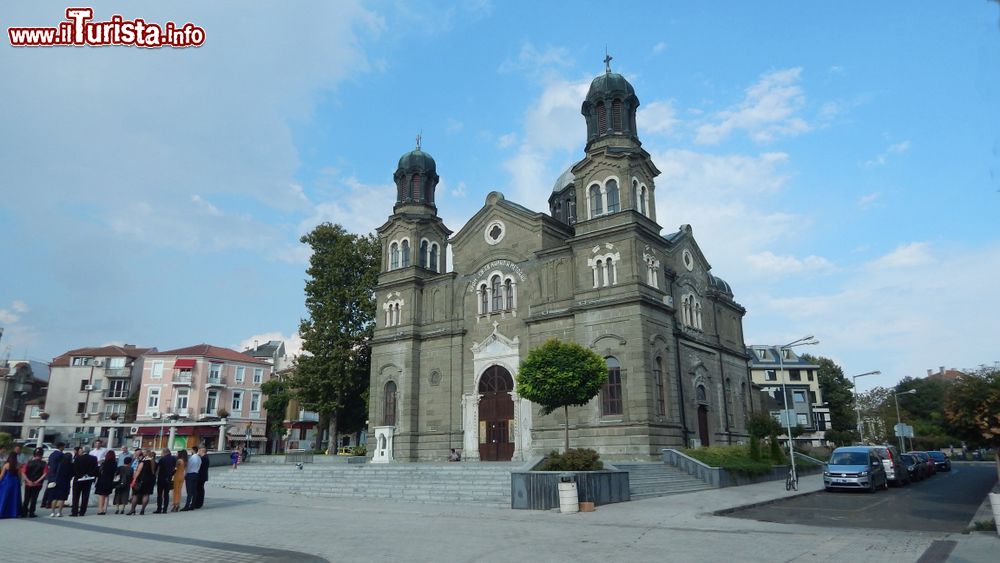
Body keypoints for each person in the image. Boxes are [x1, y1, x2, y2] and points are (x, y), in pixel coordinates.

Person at [71, 446, 99, 516]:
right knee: (85, 496)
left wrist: (80, 475)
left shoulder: (78, 458)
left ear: (83, 451)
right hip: (88, 479)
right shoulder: (94, 458)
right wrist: (89, 475)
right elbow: (95, 469)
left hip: (78, 479)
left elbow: (75, 469)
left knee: (76, 496)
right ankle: (82, 511)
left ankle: (74, 511)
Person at [20, 448, 48, 518]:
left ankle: (24, 512)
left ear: (34, 455)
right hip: (38, 484)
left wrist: (28, 481)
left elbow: (23, 472)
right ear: (42, 455)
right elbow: (45, 474)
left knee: (26, 498)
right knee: (34, 499)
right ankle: (31, 513)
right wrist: (37, 481)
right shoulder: (44, 464)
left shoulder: (28, 463)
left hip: (28, 484)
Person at [127, 449, 156, 515]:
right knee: (146, 495)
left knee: (135, 495)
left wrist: (134, 479)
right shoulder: (154, 462)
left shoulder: (143, 462)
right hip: (150, 480)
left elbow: (138, 471)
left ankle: (132, 509)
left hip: (141, 480)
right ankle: (142, 510)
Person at [49, 449, 74, 517]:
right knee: (62, 498)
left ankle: (52, 512)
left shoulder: (59, 464)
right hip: (65, 482)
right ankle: (59, 512)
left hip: (57, 481)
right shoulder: (71, 465)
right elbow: (72, 474)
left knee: (54, 497)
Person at [40, 442, 65, 509]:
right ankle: (49, 503)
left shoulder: (52, 454)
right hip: (56, 474)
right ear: (61, 447)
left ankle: (43, 502)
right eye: (63, 447)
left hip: (51, 473)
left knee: (48, 488)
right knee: (53, 489)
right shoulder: (61, 455)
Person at [94, 450, 117, 515]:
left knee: (101, 495)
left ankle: (100, 510)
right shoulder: (114, 463)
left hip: (102, 480)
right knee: (107, 495)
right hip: (110, 481)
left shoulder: (103, 463)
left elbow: (98, 472)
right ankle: (105, 509)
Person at [0, 452, 22, 518]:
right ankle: (13, 513)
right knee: (14, 498)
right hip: (15, 482)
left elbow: (2, 475)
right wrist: (20, 482)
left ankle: (3, 512)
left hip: (7, 481)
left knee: (4, 497)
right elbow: (19, 475)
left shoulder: (6, 465)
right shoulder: (17, 465)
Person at [154, 447, 175, 514]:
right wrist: (172, 474)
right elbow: (175, 468)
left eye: (162, 452)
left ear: (165, 452)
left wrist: (156, 476)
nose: (161, 454)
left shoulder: (162, 459)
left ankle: (159, 508)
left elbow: (158, 469)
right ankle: (165, 509)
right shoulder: (174, 458)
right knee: (166, 494)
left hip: (161, 478)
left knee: (159, 494)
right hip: (169, 478)